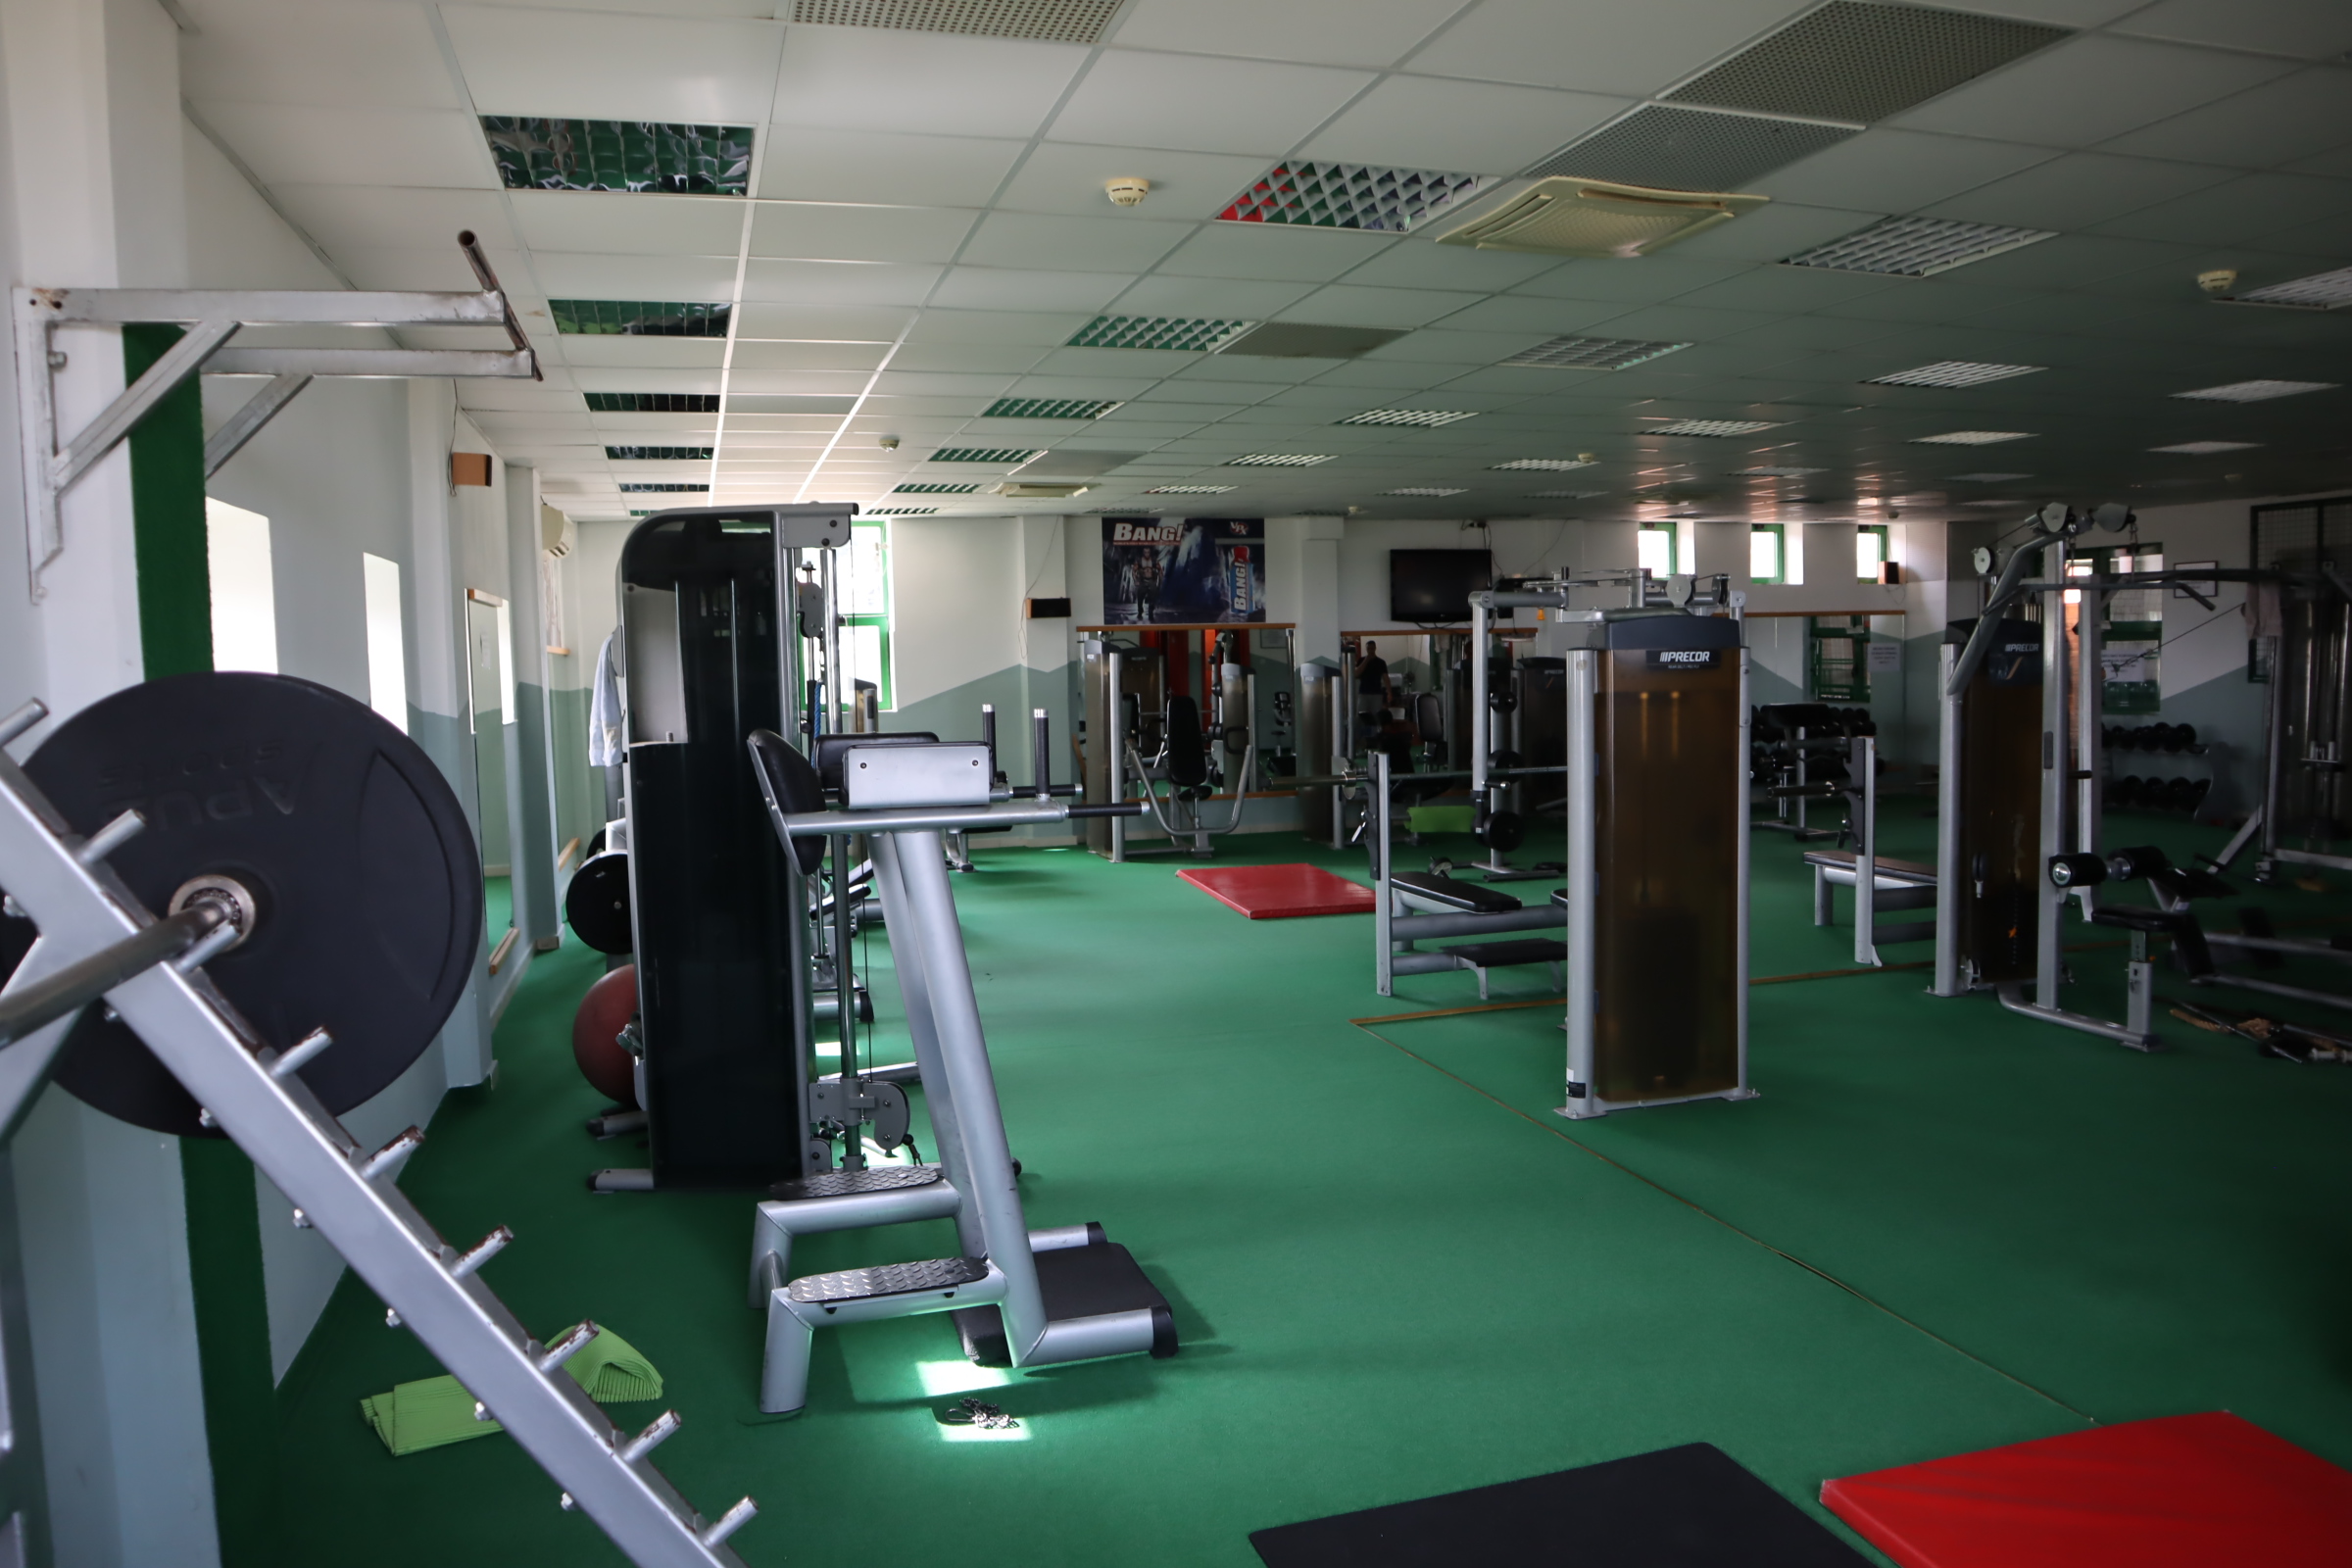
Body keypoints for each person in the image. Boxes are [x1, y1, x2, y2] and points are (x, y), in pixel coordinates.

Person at [1353, 640, 1389, 718]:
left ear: (1375, 648)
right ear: (1366, 649)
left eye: (1372, 648)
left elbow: (1386, 678)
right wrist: (1366, 660)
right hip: (1363, 693)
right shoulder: (1361, 660)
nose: (1370, 651)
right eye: (1368, 649)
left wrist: (1389, 693)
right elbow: (1356, 674)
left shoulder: (1381, 662)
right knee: (1361, 715)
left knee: (1377, 716)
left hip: (1377, 693)